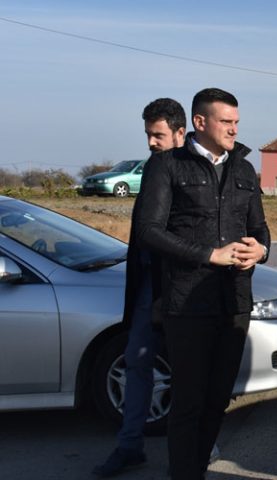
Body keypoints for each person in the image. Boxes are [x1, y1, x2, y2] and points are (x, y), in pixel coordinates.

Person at [134, 87, 270, 480]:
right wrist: (209, 254)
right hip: (187, 305)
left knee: (217, 401)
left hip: (234, 302)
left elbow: (260, 228)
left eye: (236, 122)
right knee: (189, 404)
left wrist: (260, 250)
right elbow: (148, 231)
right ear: (200, 122)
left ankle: (197, 470)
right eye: (226, 121)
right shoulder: (167, 166)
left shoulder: (244, 169)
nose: (234, 129)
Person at [92, 98, 189, 478]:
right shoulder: (152, 168)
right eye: (148, 134)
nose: (150, 142)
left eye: (158, 135)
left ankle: (197, 451)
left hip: (183, 289)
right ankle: (130, 446)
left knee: (190, 372)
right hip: (147, 286)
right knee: (136, 361)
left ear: (180, 132)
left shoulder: (196, 171)